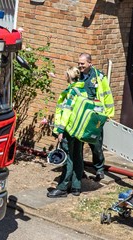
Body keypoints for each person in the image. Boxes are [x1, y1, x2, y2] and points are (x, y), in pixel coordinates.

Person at [47, 66, 88, 198]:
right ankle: (76, 187)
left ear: (68, 77)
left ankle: (62, 187)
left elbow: (66, 113)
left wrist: (60, 130)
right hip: (79, 130)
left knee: (67, 158)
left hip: (69, 131)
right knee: (78, 157)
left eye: (65, 75)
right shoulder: (83, 90)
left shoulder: (71, 93)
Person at [76, 53, 114, 181]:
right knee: (78, 145)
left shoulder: (99, 77)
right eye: (79, 63)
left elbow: (107, 95)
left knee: (96, 144)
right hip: (81, 115)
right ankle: (80, 170)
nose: (80, 66)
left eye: (82, 63)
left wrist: (108, 114)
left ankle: (99, 169)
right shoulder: (76, 76)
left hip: (94, 116)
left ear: (90, 63)